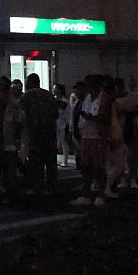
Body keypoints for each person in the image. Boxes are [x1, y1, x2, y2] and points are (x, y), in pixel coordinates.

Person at [72, 75, 108, 208]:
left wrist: (91, 118)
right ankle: (86, 194)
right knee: (86, 167)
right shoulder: (88, 98)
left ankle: (100, 195)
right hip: (86, 136)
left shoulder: (104, 98)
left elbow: (105, 117)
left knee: (98, 167)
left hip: (98, 136)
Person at [20, 73, 58, 195]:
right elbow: (56, 114)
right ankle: (52, 186)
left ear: (30, 83)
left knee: (36, 162)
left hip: (35, 133)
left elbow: (22, 115)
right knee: (50, 162)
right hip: (50, 132)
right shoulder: (49, 95)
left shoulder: (27, 96)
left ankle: (37, 186)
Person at [0, 77, 22, 203]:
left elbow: (18, 123)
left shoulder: (13, 105)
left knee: (9, 169)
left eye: (2, 90)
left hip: (8, 140)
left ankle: (10, 195)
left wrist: (17, 140)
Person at [53, 84, 74, 167]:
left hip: (63, 125)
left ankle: (65, 161)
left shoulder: (64, 101)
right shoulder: (54, 99)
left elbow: (67, 115)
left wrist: (69, 125)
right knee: (55, 143)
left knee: (63, 143)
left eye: (55, 88)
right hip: (55, 124)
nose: (53, 90)